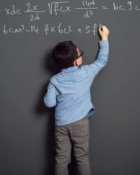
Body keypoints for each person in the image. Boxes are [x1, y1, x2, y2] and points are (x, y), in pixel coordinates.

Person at [44, 25, 110, 175]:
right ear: (75, 61)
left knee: (61, 159)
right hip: (80, 123)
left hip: (61, 124)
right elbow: (102, 61)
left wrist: (53, 90)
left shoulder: (54, 80)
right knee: (82, 158)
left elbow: (49, 103)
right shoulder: (85, 73)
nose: (81, 55)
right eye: (80, 53)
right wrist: (104, 38)